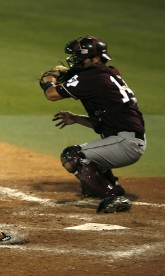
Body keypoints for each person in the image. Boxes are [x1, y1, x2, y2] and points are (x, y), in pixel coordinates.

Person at [40, 36, 146, 213]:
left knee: (72, 156)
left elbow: (51, 94)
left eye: (80, 57)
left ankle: (112, 195)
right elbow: (106, 121)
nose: (75, 61)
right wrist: (76, 118)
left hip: (126, 144)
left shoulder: (93, 77)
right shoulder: (106, 73)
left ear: (95, 59)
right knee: (87, 158)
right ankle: (107, 186)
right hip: (125, 140)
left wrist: (49, 80)